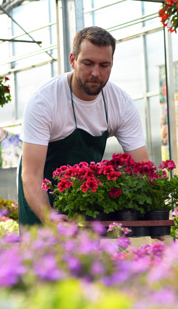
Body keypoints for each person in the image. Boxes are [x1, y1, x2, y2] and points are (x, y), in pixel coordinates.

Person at [18, 26, 149, 227]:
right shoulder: (44, 101)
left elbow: (142, 168)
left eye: (104, 65)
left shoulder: (121, 103)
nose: (96, 73)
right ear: (73, 60)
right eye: (88, 63)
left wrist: (152, 217)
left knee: (87, 258)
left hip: (85, 201)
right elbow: (31, 173)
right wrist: (49, 218)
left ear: (112, 64)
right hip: (41, 198)